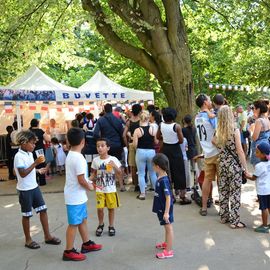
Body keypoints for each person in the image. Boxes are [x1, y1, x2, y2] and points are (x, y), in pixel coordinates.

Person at [14, 130, 61, 249]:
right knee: (27, 215)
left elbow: (27, 170)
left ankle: (47, 236)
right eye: (32, 143)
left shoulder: (29, 153)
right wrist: (35, 164)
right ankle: (28, 240)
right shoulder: (19, 156)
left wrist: (37, 170)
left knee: (43, 210)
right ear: (24, 143)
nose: (34, 145)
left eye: (35, 143)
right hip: (25, 190)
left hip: (34, 187)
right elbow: (23, 173)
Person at [63, 128, 102, 261]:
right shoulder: (79, 158)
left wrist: (89, 181)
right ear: (83, 142)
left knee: (82, 220)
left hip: (76, 195)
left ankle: (86, 243)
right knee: (74, 223)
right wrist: (90, 186)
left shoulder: (71, 154)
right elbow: (80, 180)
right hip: (75, 196)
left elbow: (80, 177)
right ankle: (68, 250)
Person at [214, 106, 248, 228]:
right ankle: (234, 221)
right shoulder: (235, 130)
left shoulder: (218, 131)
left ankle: (224, 217)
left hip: (222, 164)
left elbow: (214, 141)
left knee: (223, 190)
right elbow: (240, 151)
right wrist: (245, 168)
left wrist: (222, 150)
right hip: (234, 166)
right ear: (230, 115)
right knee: (235, 192)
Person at [157, 107, 190, 204]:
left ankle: (171, 196)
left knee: (168, 172)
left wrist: (165, 137)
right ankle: (182, 195)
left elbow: (158, 136)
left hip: (165, 149)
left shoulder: (161, 125)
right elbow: (181, 140)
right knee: (179, 172)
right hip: (175, 149)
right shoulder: (177, 126)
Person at [90, 138, 122, 237]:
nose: (100, 148)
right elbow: (93, 174)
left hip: (110, 189)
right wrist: (88, 181)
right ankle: (100, 224)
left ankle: (111, 226)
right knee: (100, 208)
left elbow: (120, 173)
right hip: (99, 189)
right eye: (98, 146)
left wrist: (114, 166)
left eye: (102, 146)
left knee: (111, 208)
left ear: (108, 147)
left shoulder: (113, 159)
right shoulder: (95, 160)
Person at [195, 94, 219, 216]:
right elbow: (219, 130)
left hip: (207, 153)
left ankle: (204, 207)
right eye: (209, 100)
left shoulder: (197, 118)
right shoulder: (211, 117)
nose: (211, 102)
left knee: (207, 180)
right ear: (205, 102)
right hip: (218, 152)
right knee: (221, 180)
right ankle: (223, 206)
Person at [94, 103, 125, 191]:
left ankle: (109, 184)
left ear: (104, 110)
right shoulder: (117, 120)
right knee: (118, 165)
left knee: (107, 164)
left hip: (106, 146)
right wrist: (123, 144)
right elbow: (122, 134)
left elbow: (95, 133)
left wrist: (101, 142)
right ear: (112, 110)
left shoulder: (101, 120)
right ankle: (122, 185)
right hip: (117, 145)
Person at [152, 153, 174, 259]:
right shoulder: (160, 177)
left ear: (158, 166)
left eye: (153, 165)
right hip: (161, 208)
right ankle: (166, 243)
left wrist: (166, 212)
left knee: (168, 228)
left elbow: (168, 197)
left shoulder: (164, 180)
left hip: (165, 209)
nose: (152, 167)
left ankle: (168, 251)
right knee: (166, 228)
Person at [245, 142, 270, 233]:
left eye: (257, 152)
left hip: (262, 191)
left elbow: (253, 178)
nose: (255, 153)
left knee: (263, 208)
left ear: (263, 155)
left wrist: (246, 175)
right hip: (269, 189)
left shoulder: (259, 166)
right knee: (269, 206)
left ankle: (264, 225)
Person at [133, 110, 157, 200]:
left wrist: (137, 149)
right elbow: (156, 141)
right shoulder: (153, 129)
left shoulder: (137, 130)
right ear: (148, 118)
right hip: (151, 152)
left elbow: (135, 144)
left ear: (140, 118)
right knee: (153, 173)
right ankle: (156, 192)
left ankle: (142, 193)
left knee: (141, 173)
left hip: (141, 151)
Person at [123, 104, 142, 192]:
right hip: (141, 145)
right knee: (141, 166)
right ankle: (142, 183)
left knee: (133, 166)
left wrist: (127, 144)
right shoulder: (142, 121)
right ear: (140, 111)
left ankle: (135, 184)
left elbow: (124, 135)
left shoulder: (128, 122)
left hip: (131, 144)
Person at [29, 118, 50, 186]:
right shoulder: (40, 131)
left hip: (31, 150)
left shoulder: (29, 131)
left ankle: (34, 181)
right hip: (40, 150)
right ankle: (42, 181)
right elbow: (47, 139)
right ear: (37, 124)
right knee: (41, 164)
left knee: (32, 164)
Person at [250, 100, 270, 166]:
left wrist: (251, 130)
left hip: (258, 148)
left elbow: (254, 138)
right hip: (265, 147)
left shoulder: (259, 121)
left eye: (254, 108)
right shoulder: (267, 119)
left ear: (258, 109)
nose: (253, 110)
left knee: (257, 169)